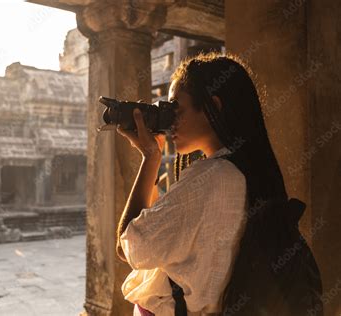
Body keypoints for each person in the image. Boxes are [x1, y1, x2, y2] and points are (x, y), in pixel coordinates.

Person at [115, 52, 290, 316]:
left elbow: (128, 247)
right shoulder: (248, 171)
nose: (170, 120)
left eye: (177, 109)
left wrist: (150, 158)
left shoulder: (212, 177)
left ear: (213, 107)